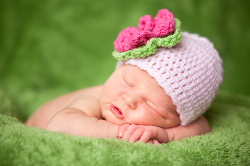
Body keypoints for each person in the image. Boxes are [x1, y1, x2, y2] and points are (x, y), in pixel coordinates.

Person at [25, 9, 223, 145]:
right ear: (119, 69)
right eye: (127, 81)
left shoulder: (177, 122)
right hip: (32, 127)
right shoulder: (95, 99)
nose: (129, 99)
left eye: (153, 106)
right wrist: (123, 134)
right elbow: (59, 126)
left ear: (177, 120)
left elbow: (202, 125)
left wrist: (164, 134)